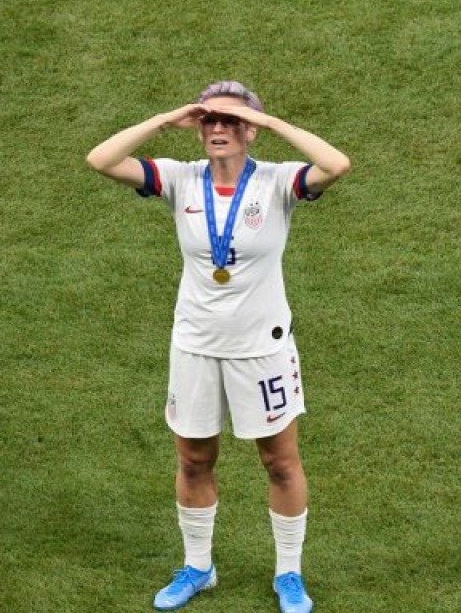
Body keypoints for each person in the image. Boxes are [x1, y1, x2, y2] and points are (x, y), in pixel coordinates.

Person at [87, 81, 350, 612]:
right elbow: (101, 158)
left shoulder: (278, 182)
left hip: (262, 348)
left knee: (279, 461)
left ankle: (289, 574)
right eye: (210, 121)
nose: (219, 129)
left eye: (231, 121)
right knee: (193, 458)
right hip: (195, 345)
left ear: (250, 130)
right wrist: (166, 117)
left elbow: (336, 164)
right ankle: (198, 565)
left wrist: (271, 122)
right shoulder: (180, 180)